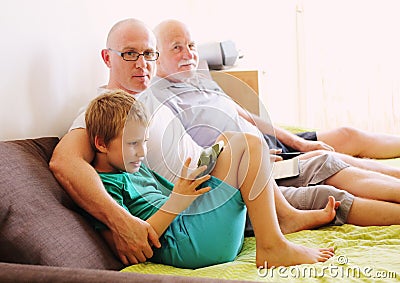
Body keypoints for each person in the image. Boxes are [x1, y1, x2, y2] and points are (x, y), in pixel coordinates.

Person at [49, 18, 338, 266]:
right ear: (107, 57)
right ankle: (274, 242)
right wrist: (121, 222)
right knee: (325, 171)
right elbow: (64, 161)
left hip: (199, 199)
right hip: (190, 217)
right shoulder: (105, 111)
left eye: (149, 53)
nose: (142, 64)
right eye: (129, 54)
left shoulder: (148, 100)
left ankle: (283, 217)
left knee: (260, 146)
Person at [151, 19, 400, 206]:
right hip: (255, 161)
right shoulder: (160, 100)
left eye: (191, 45)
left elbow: (242, 114)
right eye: (177, 48)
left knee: (348, 135)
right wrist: (252, 159)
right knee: (335, 163)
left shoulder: (197, 77)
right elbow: (194, 157)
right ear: (156, 56)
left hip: (268, 142)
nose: (189, 54)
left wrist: (299, 142)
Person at [84, 90, 336, 268]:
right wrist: (177, 201)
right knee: (244, 144)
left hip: (195, 230)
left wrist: (208, 171)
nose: (142, 152)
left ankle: (282, 222)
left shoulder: (131, 167)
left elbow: (172, 198)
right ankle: (272, 246)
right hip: (191, 245)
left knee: (232, 142)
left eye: (145, 142)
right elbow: (128, 249)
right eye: (132, 144)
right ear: (101, 144)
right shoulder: (104, 188)